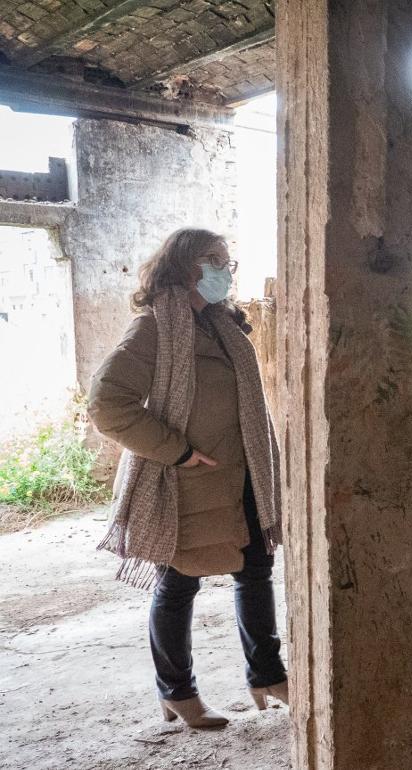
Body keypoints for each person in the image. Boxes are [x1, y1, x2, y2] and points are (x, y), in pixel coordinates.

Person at [89, 228, 287, 729]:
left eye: (228, 260)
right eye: (212, 259)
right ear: (183, 266)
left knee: (256, 573)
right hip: (185, 485)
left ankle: (267, 674)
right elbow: (108, 405)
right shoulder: (154, 329)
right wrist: (177, 451)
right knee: (178, 586)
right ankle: (177, 691)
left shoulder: (222, 326)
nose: (225, 270)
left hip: (245, 479)